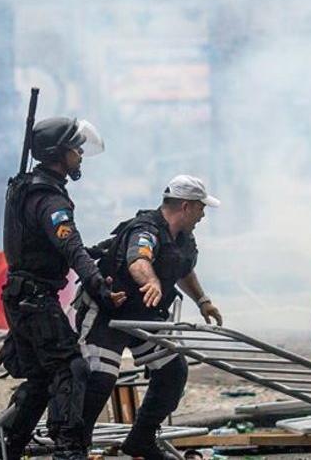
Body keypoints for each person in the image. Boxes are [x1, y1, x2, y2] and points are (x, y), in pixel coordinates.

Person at [0, 117, 126, 460]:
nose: (81, 153)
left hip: (20, 296)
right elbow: (69, 246)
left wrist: (99, 251)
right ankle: (69, 450)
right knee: (71, 369)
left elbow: (48, 247)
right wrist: (98, 284)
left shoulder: (28, 186)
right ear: (59, 153)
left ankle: (5, 447)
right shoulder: (49, 199)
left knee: (40, 380)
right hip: (35, 299)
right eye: (75, 147)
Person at [77, 175, 223, 460]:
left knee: (173, 372)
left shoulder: (182, 236)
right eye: (201, 207)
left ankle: (141, 440)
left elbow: (182, 269)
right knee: (100, 380)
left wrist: (203, 300)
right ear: (186, 206)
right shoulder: (145, 229)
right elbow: (138, 260)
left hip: (144, 314)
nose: (204, 214)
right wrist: (152, 282)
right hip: (108, 314)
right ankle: (74, 447)